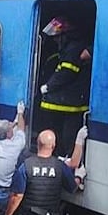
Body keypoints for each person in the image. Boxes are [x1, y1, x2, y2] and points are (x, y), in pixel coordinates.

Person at [39, 16, 92, 156]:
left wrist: (48, 87)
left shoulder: (73, 48)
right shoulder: (72, 46)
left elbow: (67, 72)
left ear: (65, 35)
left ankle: (64, 157)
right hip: (71, 99)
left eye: (57, 37)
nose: (55, 41)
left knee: (67, 133)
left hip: (71, 100)